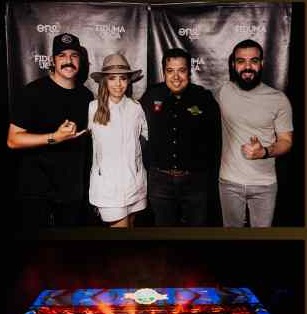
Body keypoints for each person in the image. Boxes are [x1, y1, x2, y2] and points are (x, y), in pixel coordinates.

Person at [7, 32, 94, 228]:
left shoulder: (86, 96)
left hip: (71, 193)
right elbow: (13, 140)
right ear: (53, 61)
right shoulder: (32, 92)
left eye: (74, 55)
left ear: (80, 61)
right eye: (62, 55)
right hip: (37, 191)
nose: (68, 61)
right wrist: (55, 137)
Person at [141, 47, 221, 226]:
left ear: (189, 72)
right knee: (164, 232)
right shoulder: (151, 96)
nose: (176, 77)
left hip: (195, 182)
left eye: (181, 70)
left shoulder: (203, 98)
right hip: (160, 181)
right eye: (170, 71)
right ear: (163, 72)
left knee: (195, 233)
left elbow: (215, 142)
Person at [217, 39, 293, 227]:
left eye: (254, 61)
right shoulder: (223, 92)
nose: (247, 67)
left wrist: (264, 152)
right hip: (229, 183)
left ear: (262, 63)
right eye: (241, 61)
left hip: (264, 185)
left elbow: (286, 141)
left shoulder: (278, 99)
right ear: (233, 64)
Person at [87, 53, 148, 228]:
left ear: (128, 81)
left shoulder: (136, 108)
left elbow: (146, 136)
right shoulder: (92, 108)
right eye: (112, 78)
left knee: (131, 235)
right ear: (104, 81)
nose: (118, 84)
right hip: (108, 190)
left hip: (135, 185)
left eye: (123, 78)